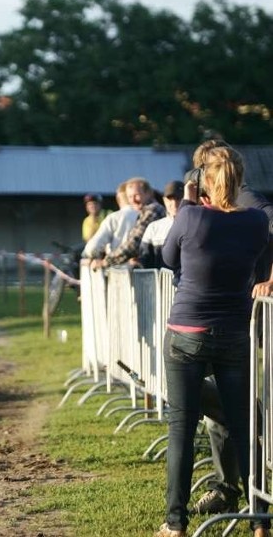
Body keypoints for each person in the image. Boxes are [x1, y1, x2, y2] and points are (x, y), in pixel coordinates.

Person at [156, 141, 270, 537]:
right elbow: (257, 266)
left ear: (203, 182)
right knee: (242, 424)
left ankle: (175, 523)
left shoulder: (189, 217)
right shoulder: (257, 222)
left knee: (182, 430)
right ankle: (259, 519)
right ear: (239, 181)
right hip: (234, 332)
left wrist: (188, 207)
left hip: (186, 331)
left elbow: (169, 258)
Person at [189, 139, 273, 516]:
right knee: (218, 401)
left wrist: (271, 278)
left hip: (256, 314)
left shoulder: (249, 199)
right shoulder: (208, 207)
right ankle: (230, 486)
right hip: (219, 317)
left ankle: (249, 486)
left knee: (240, 402)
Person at [90, 177, 165, 270]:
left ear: (148, 193)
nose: (133, 200)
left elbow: (133, 244)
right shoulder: (145, 211)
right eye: (129, 197)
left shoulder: (152, 210)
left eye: (136, 195)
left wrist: (106, 261)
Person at [82, 179, 141, 265]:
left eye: (95, 204)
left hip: (118, 266)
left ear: (118, 199)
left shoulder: (111, 216)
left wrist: (87, 254)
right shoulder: (145, 214)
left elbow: (92, 248)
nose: (92, 206)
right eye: (90, 204)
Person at [137, 180, 183, 269]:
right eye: (170, 199)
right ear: (164, 200)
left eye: (178, 198)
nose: (174, 203)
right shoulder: (153, 227)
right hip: (160, 282)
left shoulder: (195, 225)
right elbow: (145, 261)